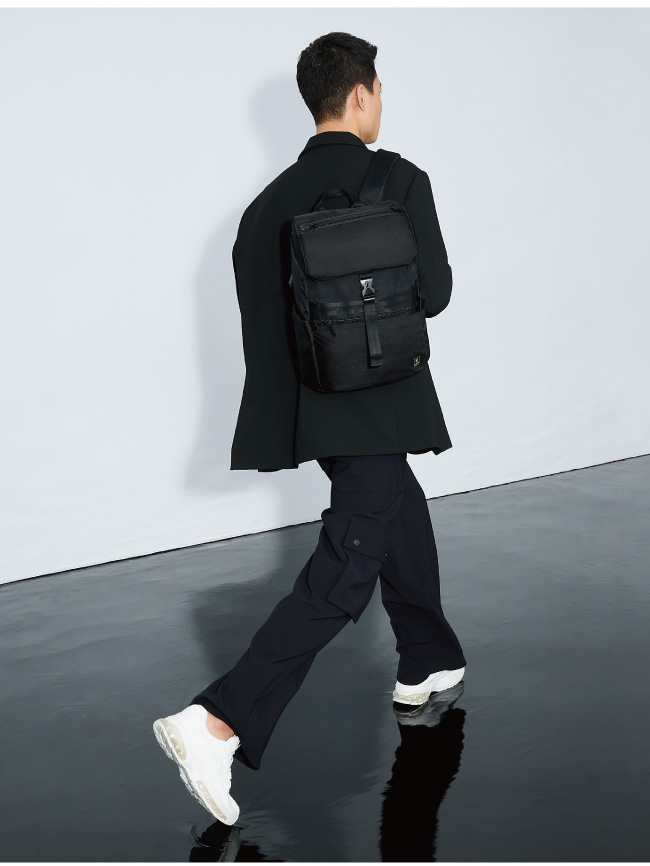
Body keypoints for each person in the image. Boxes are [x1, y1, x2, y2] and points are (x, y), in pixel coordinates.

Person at [153, 31, 467, 826]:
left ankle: (428, 658)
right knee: (349, 563)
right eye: (379, 90)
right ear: (361, 94)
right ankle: (218, 720)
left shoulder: (264, 208)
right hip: (382, 398)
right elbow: (434, 294)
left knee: (392, 506)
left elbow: (264, 331)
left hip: (318, 412)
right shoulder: (399, 180)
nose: (380, 103)